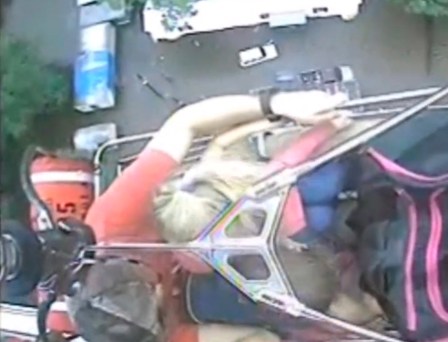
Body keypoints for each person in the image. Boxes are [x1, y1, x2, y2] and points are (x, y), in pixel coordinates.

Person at [63, 90, 360, 342]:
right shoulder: (138, 331)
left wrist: (278, 106)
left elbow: (185, 124)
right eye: (157, 314)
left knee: (325, 175)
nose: (160, 291)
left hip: (238, 197)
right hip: (237, 249)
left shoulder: (115, 218)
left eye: (150, 286)